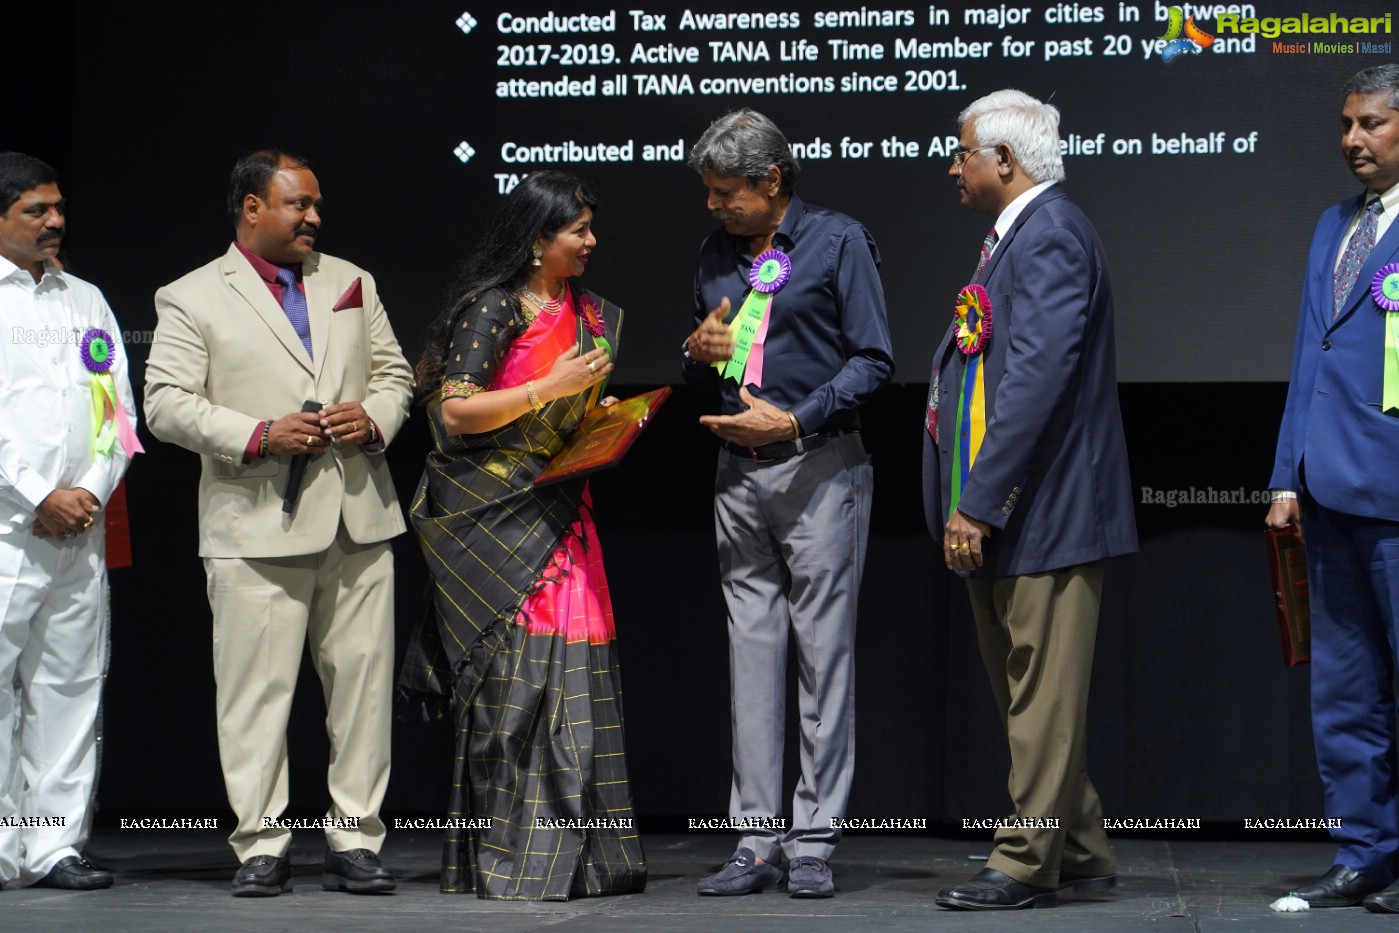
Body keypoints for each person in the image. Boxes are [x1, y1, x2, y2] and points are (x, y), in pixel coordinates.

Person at [143, 150, 412, 897]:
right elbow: (164, 405)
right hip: (257, 522)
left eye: (317, 204)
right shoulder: (192, 295)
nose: (314, 218)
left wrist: (375, 415)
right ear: (252, 209)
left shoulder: (349, 279)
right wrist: (260, 434)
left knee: (360, 690)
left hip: (357, 518)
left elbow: (394, 375)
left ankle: (356, 837)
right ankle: (261, 841)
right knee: (256, 694)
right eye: (298, 205)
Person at [400, 171, 645, 900]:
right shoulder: (493, 307)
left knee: (576, 678)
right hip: (499, 514)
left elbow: (574, 401)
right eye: (579, 230)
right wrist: (549, 387)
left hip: (564, 508)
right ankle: (517, 858)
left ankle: (587, 861)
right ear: (539, 240)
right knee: (515, 688)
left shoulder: (588, 314)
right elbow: (455, 414)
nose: (591, 241)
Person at [922, 89, 1137, 910]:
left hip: (1043, 508)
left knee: (1037, 693)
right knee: (1027, 692)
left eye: (962, 151)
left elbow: (1036, 382)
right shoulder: (1017, 237)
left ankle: (1022, 858)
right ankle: (1077, 842)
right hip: (1017, 507)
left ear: (1004, 161)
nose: (952, 165)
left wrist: (977, 501)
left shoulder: (1048, 236)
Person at [683, 110, 894, 899]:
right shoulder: (714, 252)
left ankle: (813, 841)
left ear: (771, 181)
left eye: (725, 192)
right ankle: (755, 837)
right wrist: (695, 353)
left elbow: (875, 358)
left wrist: (799, 416)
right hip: (735, 472)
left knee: (821, 656)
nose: (713, 206)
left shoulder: (838, 241)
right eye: (707, 192)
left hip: (819, 467)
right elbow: (713, 360)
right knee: (751, 653)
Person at [1266, 65, 1399, 914]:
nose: (1351, 139)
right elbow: (1306, 359)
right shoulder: (1331, 225)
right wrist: (1285, 473)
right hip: (1326, 490)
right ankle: (1364, 850)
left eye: (1371, 124)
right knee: (1343, 689)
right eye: (1346, 124)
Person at [0, 152, 139, 891]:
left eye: (58, 207)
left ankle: (50, 845)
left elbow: (117, 410)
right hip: (4, 528)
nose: (56, 221)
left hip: (75, 530)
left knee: (70, 684)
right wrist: (35, 493)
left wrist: (86, 489)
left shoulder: (85, 299)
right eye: (36, 210)